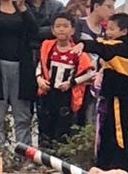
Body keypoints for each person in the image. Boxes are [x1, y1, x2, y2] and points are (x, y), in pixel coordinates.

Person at [0, 0, 41, 150]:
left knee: (22, 115)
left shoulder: (23, 8)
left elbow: (34, 30)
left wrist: (22, 8)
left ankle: (24, 153)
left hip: (21, 67)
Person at [38, 13, 97, 144]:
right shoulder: (47, 46)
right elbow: (40, 65)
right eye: (58, 26)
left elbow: (89, 73)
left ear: (72, 30)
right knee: (45, 123)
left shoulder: (76, 51)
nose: (61, 29)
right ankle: (43, 154)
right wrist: (39, 80)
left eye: (65, 26)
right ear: (52, 30)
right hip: (48, 92)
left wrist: (71, 83)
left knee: (63, 126)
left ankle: (61, 155)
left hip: (66, 94)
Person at [92, 13, 128, 172]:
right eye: (107, 29)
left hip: (122, 97)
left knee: (120, 132)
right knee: (107, 129)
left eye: (112, 29)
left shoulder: (126, 46)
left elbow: (101, 47)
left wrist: (82, 45)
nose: (108, 32)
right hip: (110, 97)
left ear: (124, 31)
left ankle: (118, 166)